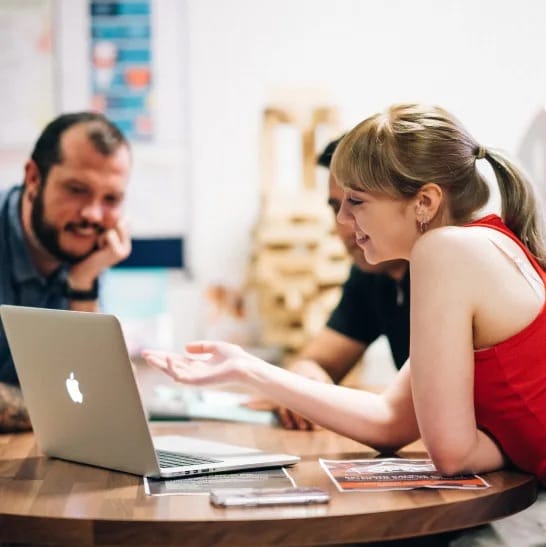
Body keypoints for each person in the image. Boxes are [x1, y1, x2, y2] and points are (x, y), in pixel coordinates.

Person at [143, 103, 546, 483]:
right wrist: (247, 369)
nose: (341, 219)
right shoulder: (480, 243)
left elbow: (453, 456)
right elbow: (389, 420)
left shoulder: (444, 251)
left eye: (356, 201)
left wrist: (507, 447)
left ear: (424, 201)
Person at [0, 112, 132, 432]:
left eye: (110, 199)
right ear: (33, 178)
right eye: (77, 189)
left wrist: (83, 283)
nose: (92, 215)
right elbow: (90, 403)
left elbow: (96, 386)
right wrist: (71, 408)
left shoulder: (82, 251)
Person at [272, 136, 409, 430]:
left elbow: (398, 421)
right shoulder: (373, 273)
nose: (343, 224)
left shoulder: (447, 270)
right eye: (336, 207)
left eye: (357, 203)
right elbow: (320, 361)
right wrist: (307, 378)